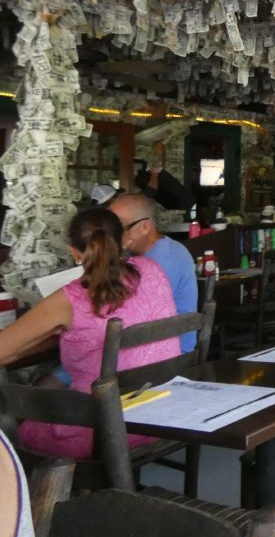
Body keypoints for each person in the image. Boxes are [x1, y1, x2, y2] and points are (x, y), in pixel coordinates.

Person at [0, 208, 179, 460]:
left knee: (15, 425)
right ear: (122, 241)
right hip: (164, 409)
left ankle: (37, 494)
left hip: (104, 428)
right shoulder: (152, 270)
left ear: (75, 252)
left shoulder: (69, 299)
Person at [108, 194, 198, 352]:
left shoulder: (164, 259)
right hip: (144, 342)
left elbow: (123, 309)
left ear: (145, 227)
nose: (111, 236)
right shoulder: (134, 254)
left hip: (166, 352)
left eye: (119, 228)